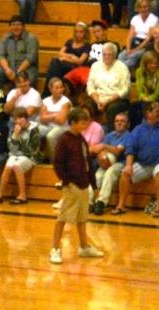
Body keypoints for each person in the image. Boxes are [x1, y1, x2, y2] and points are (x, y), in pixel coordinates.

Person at [50, 107, 105, 265]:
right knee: (63, 218)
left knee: (82, 218)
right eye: (82, 122)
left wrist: (94, 186)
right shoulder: (64, 140)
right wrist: (67, 181)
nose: (85, 125)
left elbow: (88, 164)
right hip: (72, 186)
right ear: (73, 123)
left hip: (84, 184)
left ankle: (84, 247)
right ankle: (55, 249)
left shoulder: (81, 139)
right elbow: (58, 164)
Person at [111, 100, 159, 216]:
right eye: (156, 111)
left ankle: (158, 207)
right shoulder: (138, 130)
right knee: (125, 174)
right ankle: (120, 206)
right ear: (148, 113)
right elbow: (130, 148)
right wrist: (129, 165)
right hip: (143, 164)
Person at [0, 106, 40, 204]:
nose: (18, 121)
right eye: (16, 119)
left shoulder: (34, 130)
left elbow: (33, 149)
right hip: (16, 155)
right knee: (8, 167)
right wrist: (15, 135)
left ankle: (22, 196)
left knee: (17, 166)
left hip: (30, 157)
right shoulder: (13, 130)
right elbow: (11, 149)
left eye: (20, 118)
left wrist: (18, 152)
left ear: (26, 118)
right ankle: (0, 194)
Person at [91, 112, 130, 215]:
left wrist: (104, 146)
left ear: (127, 124)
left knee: (110, 173)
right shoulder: (109, 135)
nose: (119, 123)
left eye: (122, 121)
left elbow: (118, 151)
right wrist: (102, 158)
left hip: (120, 162)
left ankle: (101, 202)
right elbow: (101, 151)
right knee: (97, 176)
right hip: (106, 162)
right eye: (117, 121)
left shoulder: (128, 136)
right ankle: (89, 202)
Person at [87, 42, 130, 131]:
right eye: (104, 54)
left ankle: (110, 134)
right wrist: (97, 100)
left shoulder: (122, 67)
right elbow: (90, 85)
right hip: (98, 98)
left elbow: (126, 89)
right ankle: (88, 132)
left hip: (116, 99)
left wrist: (107, 101)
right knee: (87, 105)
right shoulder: (95, 65)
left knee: (112, 109)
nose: (106, 57)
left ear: (115, 55)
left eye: (110, 55)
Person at [43, 22, 90, 96]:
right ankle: (55, 89)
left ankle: (47, 93)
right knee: (54, 62)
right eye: (77, 32)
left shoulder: (87, 45)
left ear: (85, 33)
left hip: (75, 68)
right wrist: (72, 56)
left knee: (55, 63)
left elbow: (80, 61)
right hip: (64, 65)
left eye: (81, 32)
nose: (78, 34)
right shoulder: (70, 41)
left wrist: (65, 58)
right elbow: (60, 53)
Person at [0, 15, 39, 87]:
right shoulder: (5, 38)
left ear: (23, 26)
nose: (16, 27)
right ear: (10, 27)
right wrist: (7, 70)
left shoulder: (31, 38)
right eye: (13, 25)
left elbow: (30, 59)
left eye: (18, 25)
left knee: (29, 79)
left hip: (26, 69)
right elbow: (1, 56)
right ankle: (2, 94)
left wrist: (18, 73)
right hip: (9, 68)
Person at [118, 0, 159, 70]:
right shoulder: (135, 18)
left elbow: (148, 38)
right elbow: (130, 36)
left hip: (145, 45)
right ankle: (122, 70)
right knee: (121, 56)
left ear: (149, 7)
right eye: (140, 7)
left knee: (133, 56)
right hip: (134, 43)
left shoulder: (154, 19)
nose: (143, 9)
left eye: (145, 7)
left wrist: (135, 50)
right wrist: (128, 49)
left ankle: (120, 69)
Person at [38, 77, 71, 162]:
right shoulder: (45, 101)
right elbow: (42, 119)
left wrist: (48, 114)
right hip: (48, 126)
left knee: (50, 136)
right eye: (56, 88)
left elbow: (61, 120)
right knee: (34, 130)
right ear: (50, 89)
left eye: (61, 87)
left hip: (62, 127)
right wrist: (56, 114)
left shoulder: (66, 102)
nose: (59, 90)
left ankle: (54, 161)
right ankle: (37, 157)